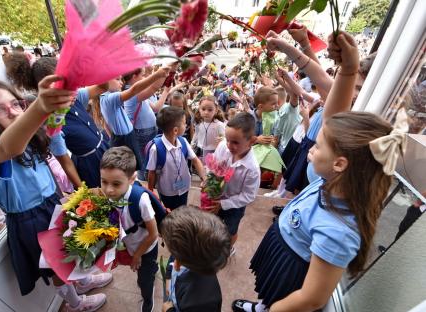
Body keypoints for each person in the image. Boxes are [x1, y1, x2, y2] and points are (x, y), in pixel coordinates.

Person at [232, 31, 400, 312]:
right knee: (268, 294)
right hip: (284, 255)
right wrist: (347, 71)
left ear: (339, 163)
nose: (311, 149)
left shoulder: (338, 230)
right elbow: (334, 118)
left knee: (276, 302)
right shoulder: (337, 178)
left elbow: (312, 298)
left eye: (318, 147)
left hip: (292, 279)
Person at [0, 77, 110, 311]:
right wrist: (40, 105)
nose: (12, 112)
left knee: (71, 250)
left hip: (50, 203)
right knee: (57, 267)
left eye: (15, 104)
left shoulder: (27, 135)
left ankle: (82, 281)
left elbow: (44, 161)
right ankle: (75, 303)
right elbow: (10, 147)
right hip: (31, 219)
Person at [5, 53, 106, 188]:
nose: (67, 88)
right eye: (59, 86)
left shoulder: (76, 96)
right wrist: (84, 191)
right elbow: (65, 162)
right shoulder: (53, 122)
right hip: (91, 166)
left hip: (105, 149)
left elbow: (102, 87)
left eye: (67, 81)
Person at [100, 146, 158, 312]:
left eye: (116, 184)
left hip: (146, 249)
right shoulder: (110, 195)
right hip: (130, 245)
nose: (109, 189)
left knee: (145, 280)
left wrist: (137, 255)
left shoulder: (141, 200)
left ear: (132, 178)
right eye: (104, 181)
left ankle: (148, 298)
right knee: (142, 274)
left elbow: (153, 234)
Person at [161, 206, 231, 312]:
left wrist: (169, 311)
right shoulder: (186, 252)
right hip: (175, 293)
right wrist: (168, 278)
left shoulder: (203, 303)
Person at [208, 112, 260, 253]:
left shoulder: (252, 168)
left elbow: (248, 195)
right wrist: (208, 180)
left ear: (251, 141)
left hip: (235, 205)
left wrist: (224, 204)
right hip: (217, 197)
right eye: (227, 140)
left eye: (235, 142)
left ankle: (228, 249)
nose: (229, 146)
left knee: (230, 229)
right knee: (213, 224)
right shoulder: (223, 147)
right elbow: (213, 166)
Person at [100, 68, 169, 172]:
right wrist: (159, 74)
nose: (121, 82)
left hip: (126, 136)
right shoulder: (110, 98)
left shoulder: (108, 97)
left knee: (133, 166)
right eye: (117, 79)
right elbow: (145, 88)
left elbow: (106, 123)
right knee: (135, 166)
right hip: (125, 138)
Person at [147, 107, 206, 210]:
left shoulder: (183, 141)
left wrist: (204, 178)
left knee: (182, 209)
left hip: (184, 187)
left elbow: (195, 160)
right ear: (175, 130)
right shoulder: (156, 149)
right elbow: (151, 172)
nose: (186, 125)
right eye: (184, 123)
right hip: (167, 192)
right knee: (169, 213)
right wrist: (150, 192)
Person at [123, 67, 171, 180]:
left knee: (150, 160)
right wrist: (164, 71)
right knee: (145, 163)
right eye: (142, 75)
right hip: (142, 133)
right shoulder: (131, 93)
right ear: (134, 77)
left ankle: (148, 182)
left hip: (148, 132)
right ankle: (145, 184)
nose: (144, 78)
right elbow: (154, 87)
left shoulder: (137, 92)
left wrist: (166, 91)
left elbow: (156, 108)